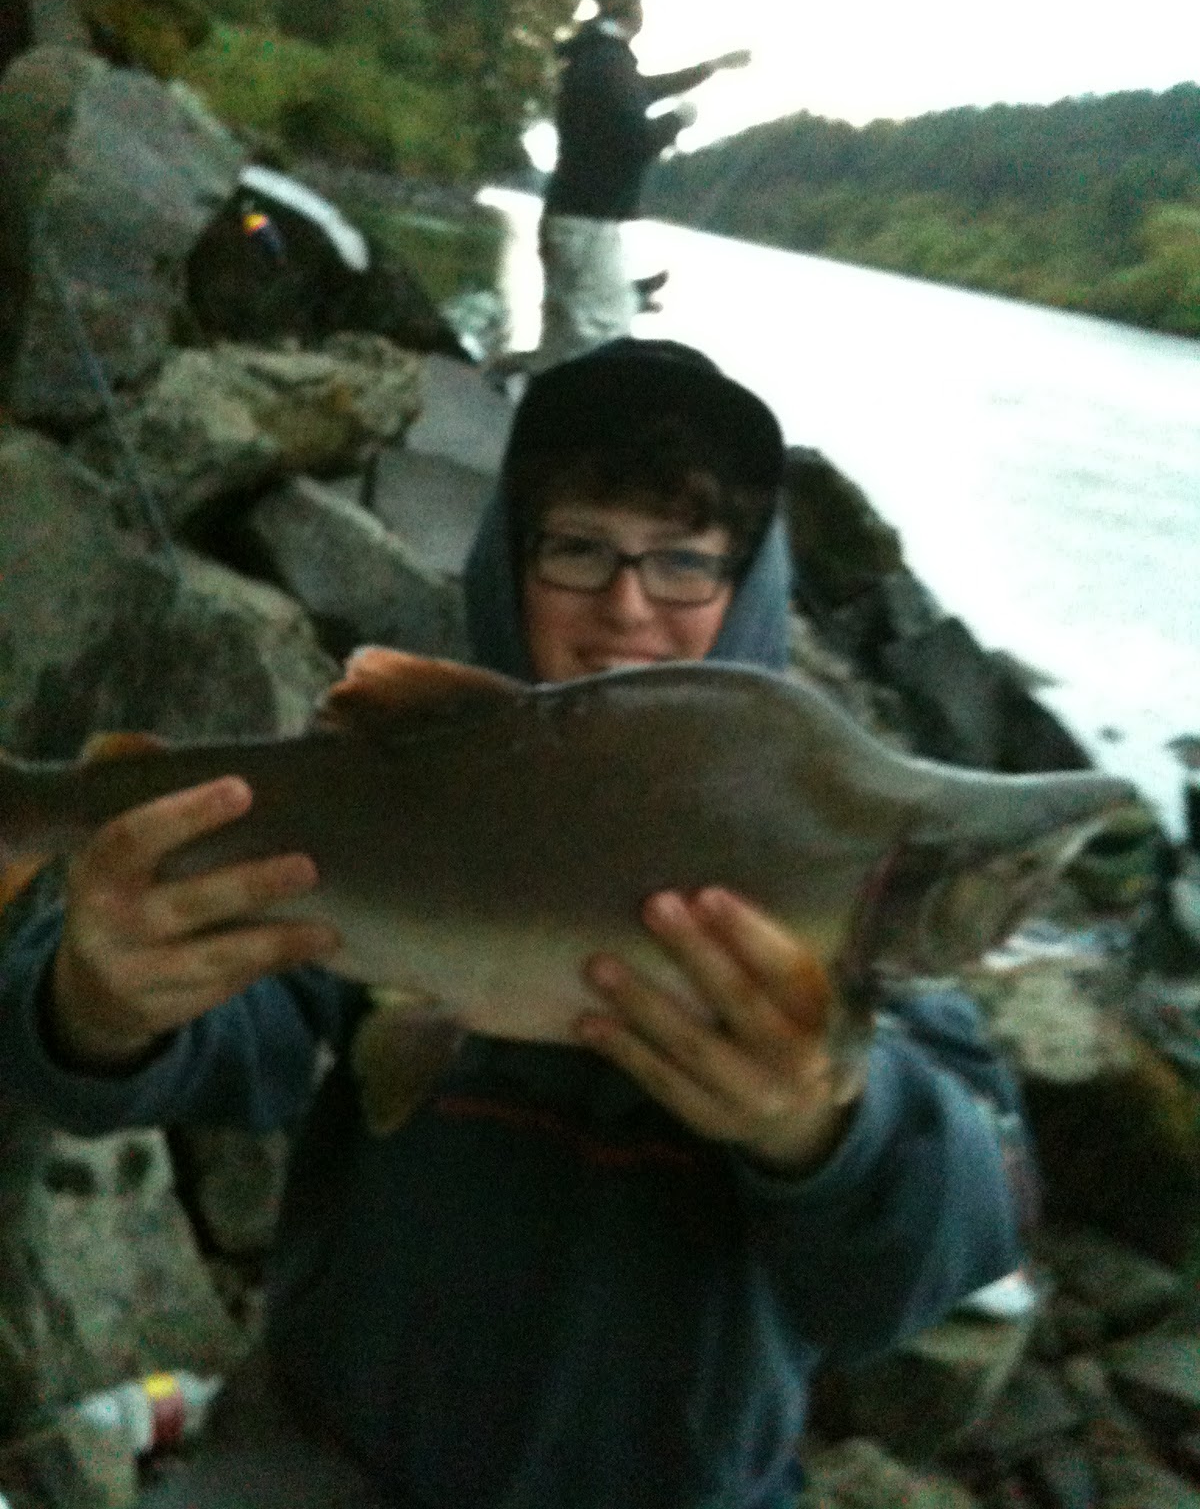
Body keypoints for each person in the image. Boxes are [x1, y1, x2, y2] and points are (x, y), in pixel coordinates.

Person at [0, 340, 1034, 1509]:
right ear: (510, 562)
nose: (626, 609)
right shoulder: (400, 794)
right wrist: (88, 1006)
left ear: (749, 591)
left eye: (686, 562)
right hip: (319, 1457)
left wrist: (823, 1123)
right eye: (579, 549)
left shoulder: (832, 861)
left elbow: (944, 1251)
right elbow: (195, 1046)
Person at [532, 0, 751, 371]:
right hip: (586, 226)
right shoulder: (607, 64)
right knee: (600, 342)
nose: (644, 10)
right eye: (640, 2)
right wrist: (678, 121)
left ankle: (621, 298)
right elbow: (635, 143)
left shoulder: (597, 57)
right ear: (631, 9)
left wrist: (712, 67)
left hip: (577, 219)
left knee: (567, 343)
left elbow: (644, 90)